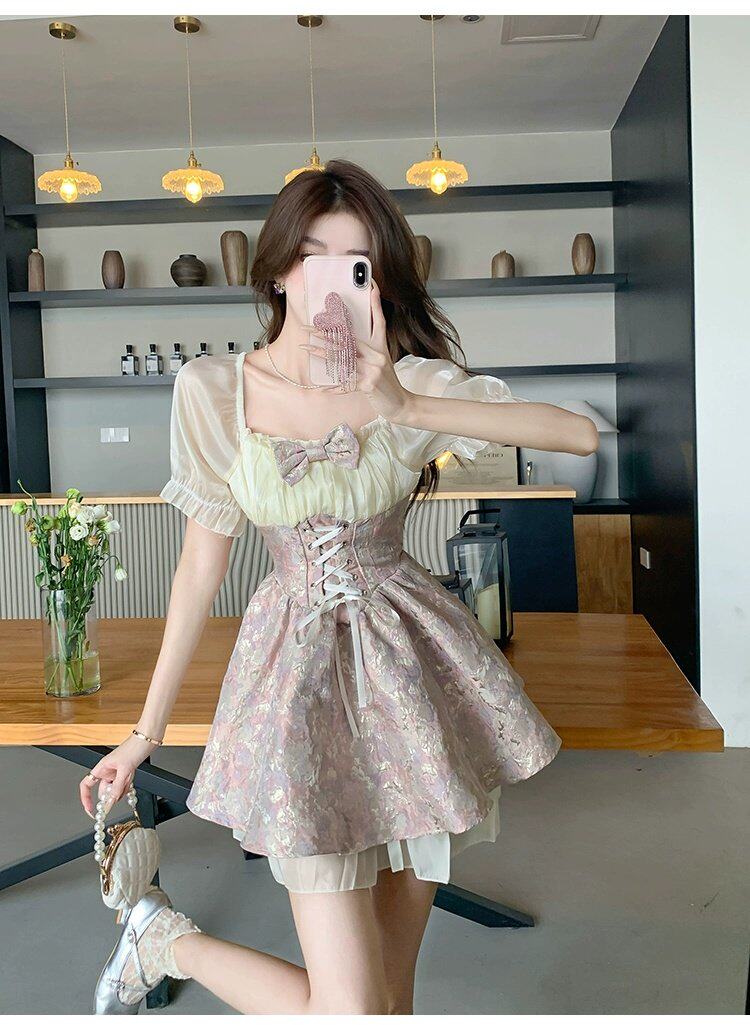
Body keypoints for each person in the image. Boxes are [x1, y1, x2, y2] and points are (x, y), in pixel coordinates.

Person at [81, 159, 598, 1015]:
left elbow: (575, 435)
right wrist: (146, 733)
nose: (328, 280)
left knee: (388, 1004)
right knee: (352, 1012)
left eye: (355, 262)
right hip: (296, 687)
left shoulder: (407, 383)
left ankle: (157, 940)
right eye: (311, 255)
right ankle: (164, 941)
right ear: (278, 270)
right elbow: (200, 565)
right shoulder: (215, 389)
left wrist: (404, 407)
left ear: (379, 279)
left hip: (411, 685)